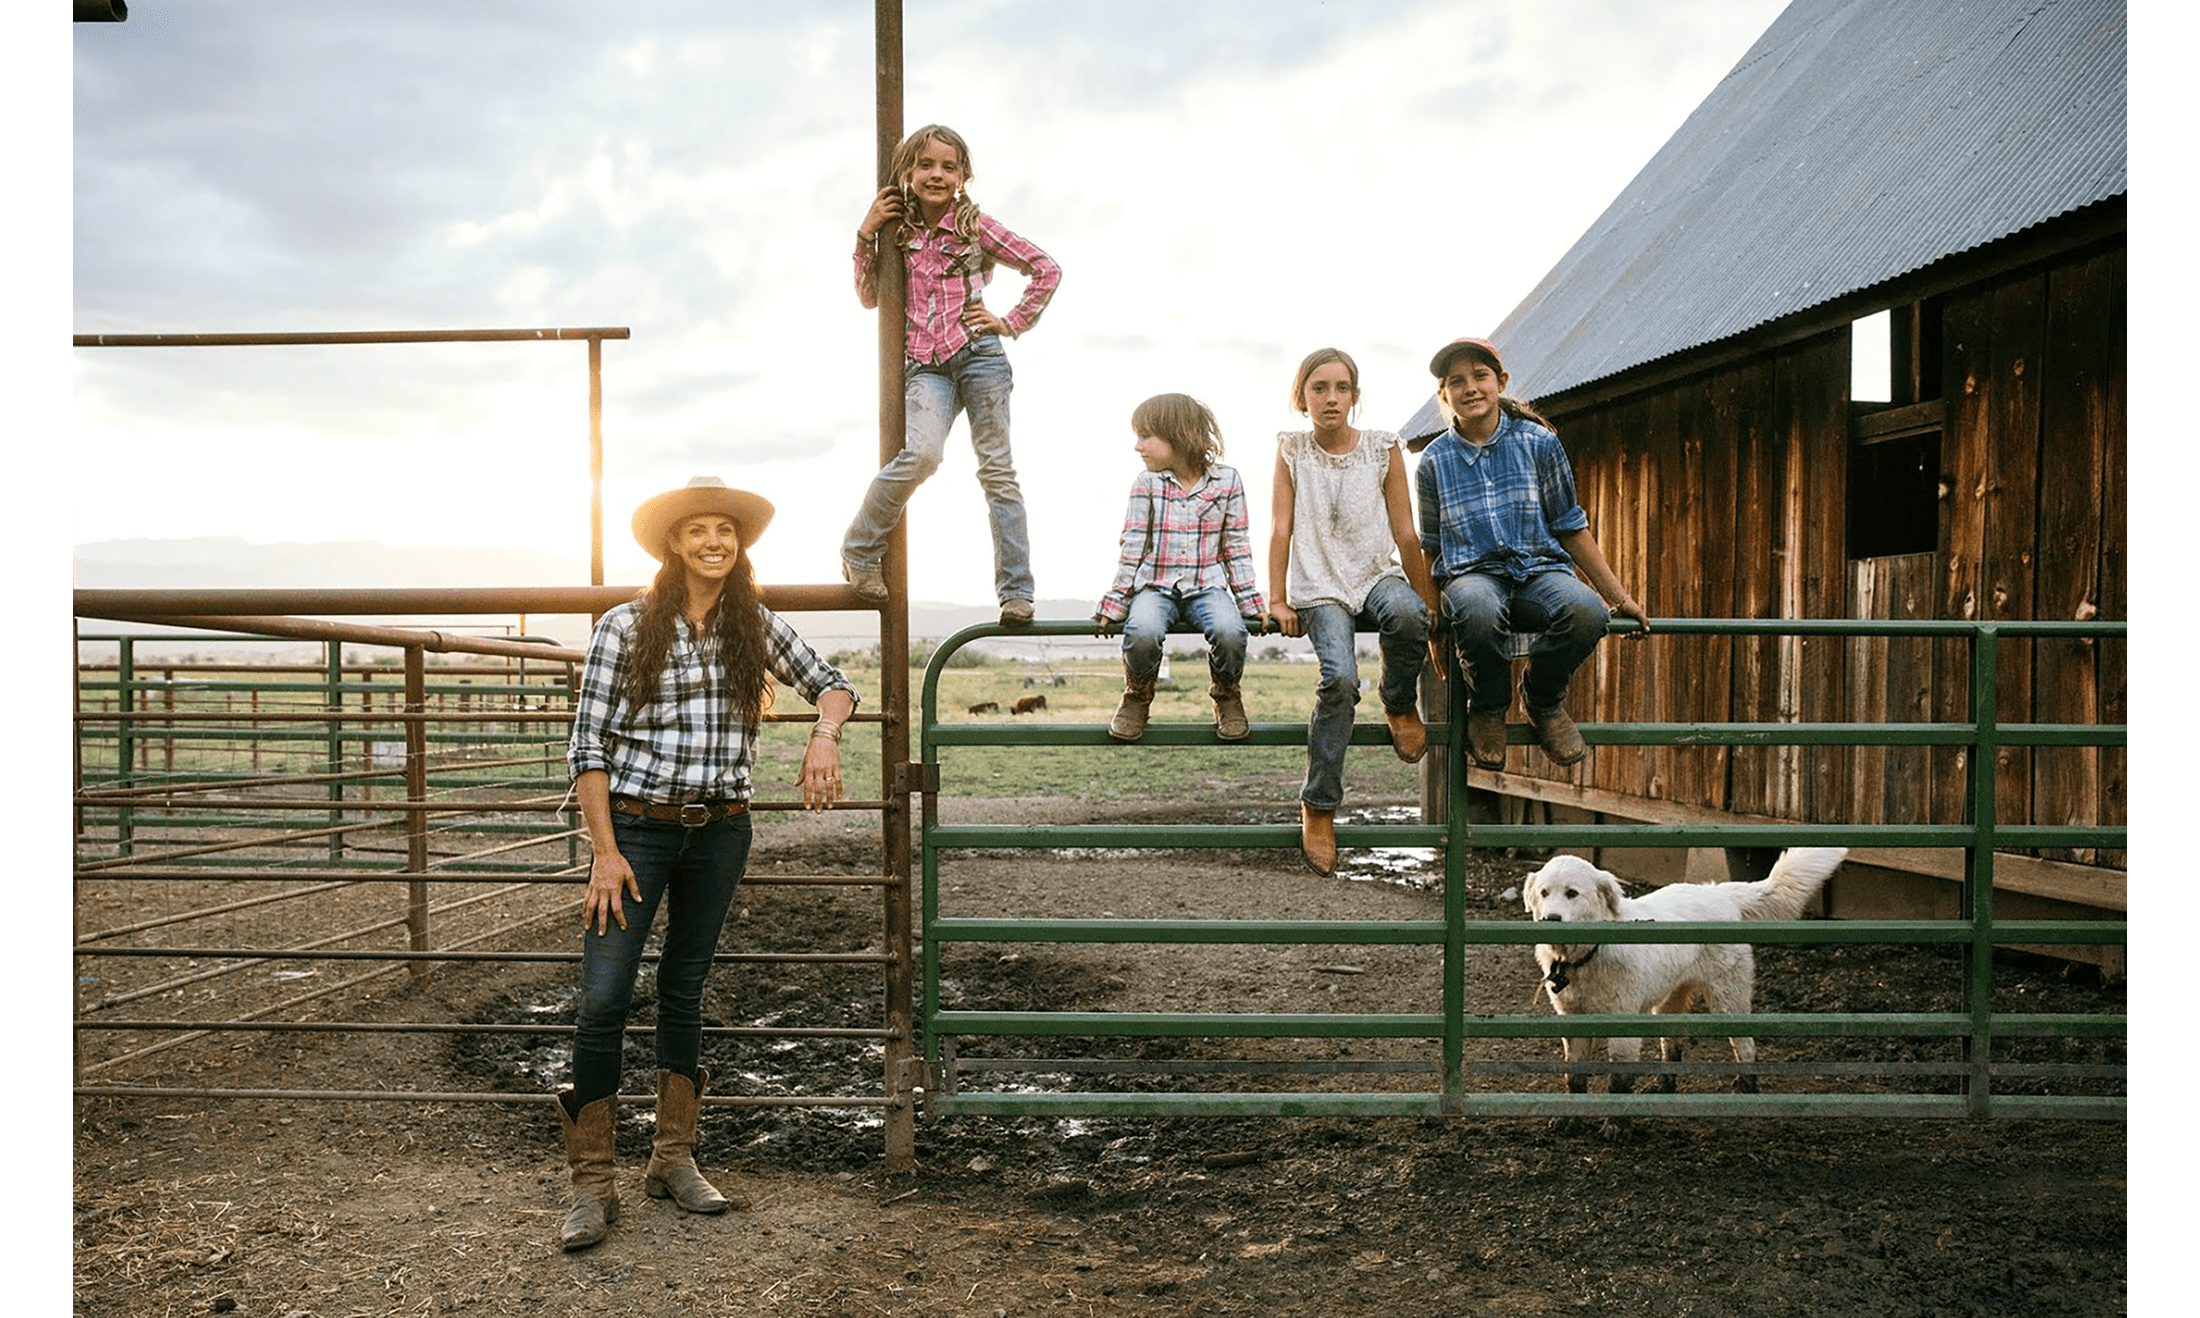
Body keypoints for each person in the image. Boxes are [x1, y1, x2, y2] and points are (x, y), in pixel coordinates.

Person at [557, 475, 860, 1253]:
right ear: (674, 543)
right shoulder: (624, 625)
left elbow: (833, 684)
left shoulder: (752, 623)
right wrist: (605, 853)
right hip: (635, 830)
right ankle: (592, 1182)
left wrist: (823, 734)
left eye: (726, 530)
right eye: (699, 531)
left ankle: (672, 1159)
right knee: (603, 1000)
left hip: (720, 832)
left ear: (739, 543)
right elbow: (587, 746)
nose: (715, 542)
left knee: (684, 989)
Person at [842, 123, 1063, 626]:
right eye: (925, 165)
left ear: (963, 175)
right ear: (906, 173)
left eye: (947, 166)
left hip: (980, 355)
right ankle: (859, 550)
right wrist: (865, 233)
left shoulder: (975, 226)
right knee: (922, 453)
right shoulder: (896, 232)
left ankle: (1016, 592)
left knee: (997, 471)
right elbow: (870, 296)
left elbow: (1045, 268)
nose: (936, 174)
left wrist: (1010, 322)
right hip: (925, 364)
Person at [1416, 336, 1649, 771]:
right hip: (1473, 575)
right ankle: (1487, 707)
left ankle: (1542, 700)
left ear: (1500, 381)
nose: (1470, 388)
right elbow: (1430, 546)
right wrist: (1433, 625)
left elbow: (1570, 526)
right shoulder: (1433, 461)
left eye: (1480, 376)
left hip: (1538, 572)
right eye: (1456, 381)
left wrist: (1618, 597)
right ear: (1443, 394)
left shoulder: (1539, 443)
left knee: (1586, 612)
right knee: (1477, 607)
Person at [1265, 348, 1436, 876]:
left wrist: (1427, 600)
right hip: (1318, 585)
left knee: (1408, 616)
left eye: (1341, 388)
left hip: (1373, 573)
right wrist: (1276, 598)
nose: (1331, 397)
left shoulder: (1383, 449)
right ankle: (1319, 804)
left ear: (1355, 396)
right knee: (1339, 679)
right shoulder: (1293, 450)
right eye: (1319, 388)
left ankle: (1399, 699)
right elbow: (1280, 528)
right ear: (1303, 397)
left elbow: (1406, 531)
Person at [1095, 392, 1266, 744]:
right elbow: (1132, 546)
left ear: (1178, 435)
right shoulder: (1147, 484)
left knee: (1231, 632)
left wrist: (1251, 603)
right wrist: (1115, 602)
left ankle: (1226, 693)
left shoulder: (1227, 482)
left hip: (1208, 586)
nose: (1138, 447)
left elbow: (1236, 545)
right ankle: (1138, 695)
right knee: (1142, 632)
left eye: (1145, 436)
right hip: (1155, 587)